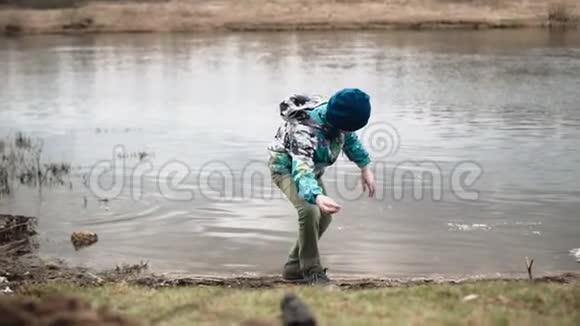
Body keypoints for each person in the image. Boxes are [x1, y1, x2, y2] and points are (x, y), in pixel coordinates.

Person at [268, 88, 376, 284]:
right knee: (309, 211)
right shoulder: (304, 130)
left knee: (324, 217)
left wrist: (364, 167)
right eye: (346, 128)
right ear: (337, 121)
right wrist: (316, 196)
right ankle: (311, 270)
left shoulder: (339, 120)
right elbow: (301, 169)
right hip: (286, 169)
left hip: (311, 172)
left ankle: (293, 267)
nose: (347, 132)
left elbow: (349, 140)